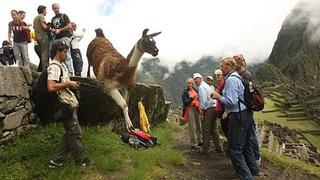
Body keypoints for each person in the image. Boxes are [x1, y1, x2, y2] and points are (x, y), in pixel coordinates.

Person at [212, 57, 259, 179]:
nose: (220, 68)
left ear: (228, 66)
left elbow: (231, 102)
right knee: (246, 144)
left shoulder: (231, 80)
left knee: (235, 150)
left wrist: (218, 97)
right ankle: (254, 169)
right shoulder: (238, 77)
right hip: (246, 114)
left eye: (222, 66)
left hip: (238, 116)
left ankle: (246, 177)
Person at [47, 41, 90, 168]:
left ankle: (56, 160)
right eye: (64, 51)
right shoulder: (54, 67)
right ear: (57, 52)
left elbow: (61, 83)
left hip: (69, 104)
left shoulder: (61, 66)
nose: (67, 54)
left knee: (71, 133)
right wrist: (68, 84)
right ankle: (81, 161)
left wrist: (71, 84)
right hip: (64, 104)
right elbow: (51, 86)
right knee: (75, 134)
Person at [233, 54, 261, 165]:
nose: (236, 63)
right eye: (235, 61)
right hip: (244, 108)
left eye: (238, 60)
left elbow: (249, 92)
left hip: (247, 108)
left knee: (251, 133)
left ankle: (256, 157)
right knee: (248, 133)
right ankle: (252, 156)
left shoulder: (246, 75)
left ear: (242, 62)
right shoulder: (241, 75)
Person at [193, 73, 223, 154]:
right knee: (214, 129)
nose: (194, 81)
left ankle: (205, 148)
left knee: (206, 129)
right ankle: (219, 148)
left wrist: (202, 111)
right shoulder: (206, 86)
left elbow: (203, 101)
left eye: (195, 79)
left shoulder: (202, 87)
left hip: (209, 109)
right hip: (214, 108)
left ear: (199, 78)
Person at [51, 3, 74, 75]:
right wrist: (53, 30)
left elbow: (69, 26)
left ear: (59, 8)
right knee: (59, 55)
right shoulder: (53, 19)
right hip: (56, 39)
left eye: (57, 8)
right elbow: (53, 28)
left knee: (66, 54)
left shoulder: (64, 16)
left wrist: (60, 30)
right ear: (53, 9)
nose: (56, 9)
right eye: (55, 8)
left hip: (64, 37)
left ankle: (70, 72)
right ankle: (64, 72)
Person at [182, 78, 203, 149]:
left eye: (190, 83)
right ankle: (193, 143)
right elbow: (185, 102)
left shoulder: (195, 90)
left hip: (197, 108)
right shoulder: (185, 92)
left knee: (199, 125)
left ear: (193, 84)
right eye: (188, 83)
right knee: (192, 126)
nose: (189, 84)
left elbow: (199, 99)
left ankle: (200, 140)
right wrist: (192, 98)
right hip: (190, 109)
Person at [33, 5, 51, 72]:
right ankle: (46, 70)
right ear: (43, 10)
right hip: (43, 37)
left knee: (43, 54)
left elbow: (34, 28)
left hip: (38, 38)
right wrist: (49, 27)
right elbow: (44, 27)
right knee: (45, 55)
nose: (46, 11)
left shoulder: (35, 18)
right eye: (46, 10)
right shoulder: (41, 16)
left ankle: (44, 70)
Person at [214, 69, 229, 138]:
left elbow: (226, 97)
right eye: (216, 75)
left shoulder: (224, 83)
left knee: (226, 127)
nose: (217, 76)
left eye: (219, 75)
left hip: (224, 109)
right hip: (220, 107)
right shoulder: (220, 84)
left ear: (222, 75)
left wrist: (226, 111)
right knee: (224, 127)